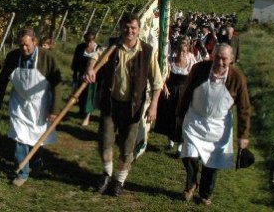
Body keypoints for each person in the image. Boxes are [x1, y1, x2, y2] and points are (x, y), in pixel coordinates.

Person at [84, 14, 163, 197]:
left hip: (133, 108)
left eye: (133, 28)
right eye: (126, 27)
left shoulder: (147, 51)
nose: (130, 31)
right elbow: (95, 56)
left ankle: (119, 180)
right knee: (104, 141)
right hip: (111, 104)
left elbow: (157, 83)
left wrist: (153, 107)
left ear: (139, 29)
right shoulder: (112, 46)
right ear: (121, 28)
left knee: (128, 147)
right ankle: (106, 174)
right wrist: (90, 68)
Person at [176, 44, 251, 205]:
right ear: (212, 56)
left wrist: (243, 135)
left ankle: (205, 194)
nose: (220, 62)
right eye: (217, 57)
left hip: (219, 124)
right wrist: (180, 114)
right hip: (195, 119)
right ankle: (191, 184)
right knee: (189, 154)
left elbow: (244, 108)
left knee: (213, 161)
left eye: (224, 58)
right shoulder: (199, 69)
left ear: (231, 60)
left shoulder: (238, 78)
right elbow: (186, 91)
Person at [0, 28, 64, 187]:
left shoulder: (47, 57)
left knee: (36, 138)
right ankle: (22, 171)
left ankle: (36, 164)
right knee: (19, 136)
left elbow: (57, 85)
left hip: (40, 103)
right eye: (20, 45)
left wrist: (54, 110)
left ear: (34, 42)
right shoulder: (13, 57)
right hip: (19, 103)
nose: (24, 48)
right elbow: (2, 81)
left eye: (27, 45)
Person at [154, 37, 196, 155]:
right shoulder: (170, 60)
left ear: (187, 51)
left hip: (183, 93)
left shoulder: (191, 61)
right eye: (179, 51)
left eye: (184, 51)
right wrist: (165, 87)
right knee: (170, 117)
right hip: (171, 91)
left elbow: (193, 78)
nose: (181, 53)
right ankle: (170, 141)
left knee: (182, 118)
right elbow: (163, 76)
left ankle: (179, 146)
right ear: (176, 50)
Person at [72, 32, 101, 126]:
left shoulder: (99, 48)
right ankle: (82, 112)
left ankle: (87, 117)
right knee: (81, 96)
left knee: (89, 97)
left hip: (93, 78)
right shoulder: (80, 47)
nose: (88, 43)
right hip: (81, 75)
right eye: (87, 41)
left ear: (94, 40)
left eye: (91, 41)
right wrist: (75, 77)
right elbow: (75, 63)